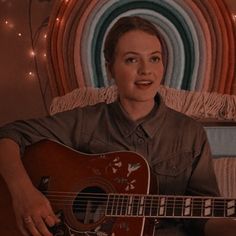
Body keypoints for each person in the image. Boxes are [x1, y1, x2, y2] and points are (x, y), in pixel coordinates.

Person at [0, 16, 235, 236]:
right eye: (132, 59)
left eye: (154, 58)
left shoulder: (190, 133)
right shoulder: (85, 121)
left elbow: (204, 217)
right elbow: (8, 136)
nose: (146, 70)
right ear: (110, 68)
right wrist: (24, 194)